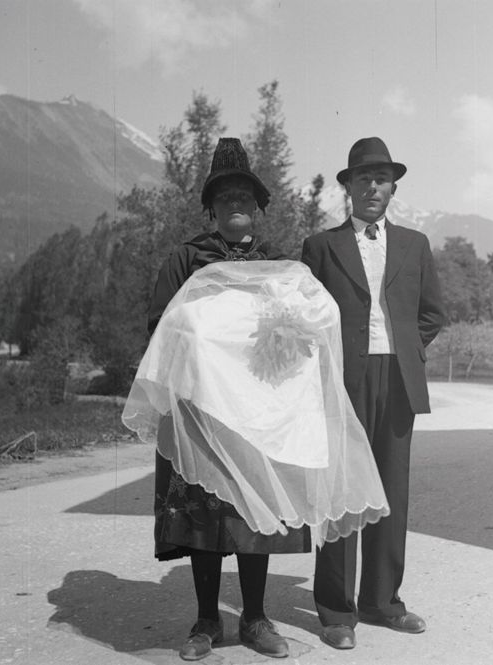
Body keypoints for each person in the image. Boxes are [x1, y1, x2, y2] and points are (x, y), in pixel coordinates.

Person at [122, 138, 390, 661]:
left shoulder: (276, 265)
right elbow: (161, 327)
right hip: (199, 410)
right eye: (224, 197)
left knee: (256, 512)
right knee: (204, 516)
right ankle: (206, 619)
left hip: (258, 415)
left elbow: (301, 331)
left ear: (257, 205)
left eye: (244, 196)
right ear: (212, 207)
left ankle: (255, 617)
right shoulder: (186, 259)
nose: (235, 204)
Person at [301, 136, 445, 649]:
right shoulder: (321, 247)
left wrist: (404, 350)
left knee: (390, 495)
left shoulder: (415, 244)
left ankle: (383, 602)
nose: (372, 187)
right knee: (341, 492)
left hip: (399, 381)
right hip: (343, 382)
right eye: (362, 178)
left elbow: (432, 314)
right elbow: (306, 317)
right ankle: (337, 611)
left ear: (393, 189)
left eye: (381, 179)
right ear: (349, 187)